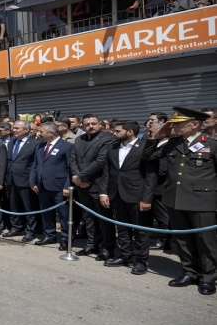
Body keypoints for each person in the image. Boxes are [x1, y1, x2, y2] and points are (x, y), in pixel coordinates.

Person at [143, 107, 217, 295]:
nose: (173, 126)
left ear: (194, 124)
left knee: (205, 241)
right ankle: (189, 272)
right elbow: (148, 157)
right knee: (182, 240)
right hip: (175, 199)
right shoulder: (172, 143)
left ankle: (208, 277)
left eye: (178, 123)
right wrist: (155, 138)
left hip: (203, 201)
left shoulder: (211, 144)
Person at [99, 121, 157, 275]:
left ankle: (140, 260)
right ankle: (125, 255)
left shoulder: (144, 147)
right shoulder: (113, 147)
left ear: (130, 132)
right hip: (116, 194)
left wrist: (147, 198)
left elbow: (151, 176)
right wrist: (103, 192)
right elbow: (107, 171)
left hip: (137, 195)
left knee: (140, 230)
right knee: (122, 228)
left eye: (117, 131)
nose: (114, 133)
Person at [70, 114, 116, 261]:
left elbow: (101, 161)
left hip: (98, 184)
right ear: (82, 126)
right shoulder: (79, 139)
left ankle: (107, 248)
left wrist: (80, 177)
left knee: (104, 219)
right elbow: (73, 160)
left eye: (93, 123)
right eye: (87, 124)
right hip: (82, 186)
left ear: (99, 124)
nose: (91, 126)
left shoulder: (107, 139)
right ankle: (91, 244)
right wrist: (78, 179)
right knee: (88, 218)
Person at [29, 122, 74, 250]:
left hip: (59, 187)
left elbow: (70, 168)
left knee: (64, 215)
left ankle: (66, 239)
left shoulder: (66, 146)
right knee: (46, 213)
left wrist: (67, 186)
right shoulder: (40, 146)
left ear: (51, 133)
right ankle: (49, 235)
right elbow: (35, 165)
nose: (39, 133)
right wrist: (33, 182)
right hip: (42, 186)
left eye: (41, 131)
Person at [3, 121, 40, 242]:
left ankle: (30, 231)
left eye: (17, 128)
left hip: (26, 180)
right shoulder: (11, 142)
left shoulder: (36, 143)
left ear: (26, 130)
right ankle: (16, 227)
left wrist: (33, 181)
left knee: (28, 207)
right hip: (11, 179)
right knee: (13, 205)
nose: (14, 130)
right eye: (14, 128)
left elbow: (36, 164)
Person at [148, 122, 172, 251]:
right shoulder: (158, 145)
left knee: (163, 217)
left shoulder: (165, 146)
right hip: (157, 187)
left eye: (152, 132)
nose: (149, 134)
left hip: (160, 188)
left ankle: (163, 242)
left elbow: (162, 169)